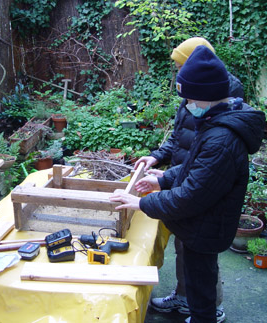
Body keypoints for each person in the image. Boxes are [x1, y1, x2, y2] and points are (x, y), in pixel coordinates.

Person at [111, 45, 265, 322]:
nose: (187, 103)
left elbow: (192, 195)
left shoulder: (221, 138)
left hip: (207, 225)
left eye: (191, 98)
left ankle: (203, 316)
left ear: (206, 97)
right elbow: (198, 168)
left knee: (201, 283)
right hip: (202, 221)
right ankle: (192, 308)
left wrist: (141, 203)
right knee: (195, 280)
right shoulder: (214, 121)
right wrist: (164, 177)